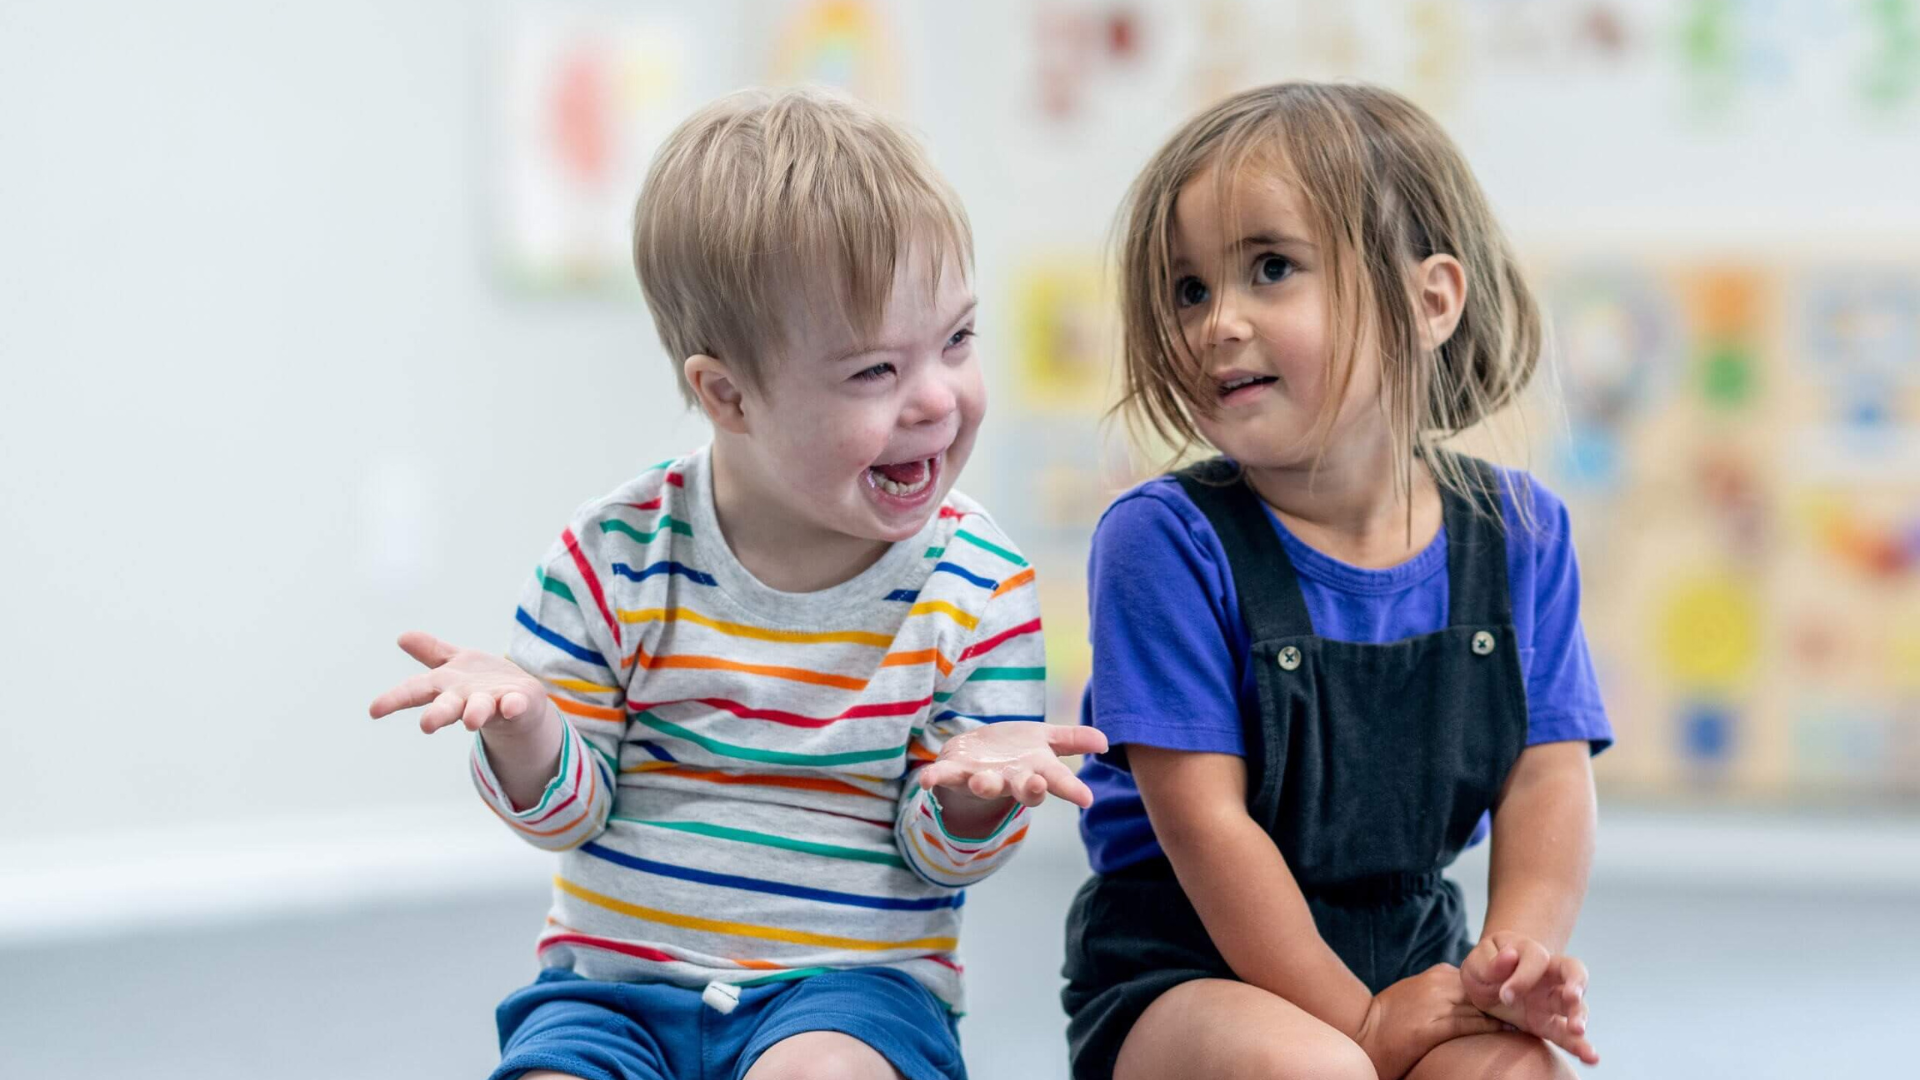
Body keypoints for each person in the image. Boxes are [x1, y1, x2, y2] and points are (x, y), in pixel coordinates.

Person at [369, 85, 1105, 1080]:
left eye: (958, 341)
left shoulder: (980, 584)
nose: (937, 398)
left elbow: (939, 856)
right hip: (610, 992)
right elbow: (568, 814)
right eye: (876, 371)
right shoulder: (612, 556)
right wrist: (527, 727)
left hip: (851, 992)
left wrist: (978, 798)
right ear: (728, 395)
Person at [1061, 82, 1613, 1080]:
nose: (1217, 321)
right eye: (1189, 290)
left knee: (1514, 1073)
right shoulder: (1164, 544)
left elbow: (1548, 775)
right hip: (1185, 974)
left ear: (1429, 298)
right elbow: (1205, 827)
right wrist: (1355, 1025)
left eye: (1270, 268)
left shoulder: (1521, 533)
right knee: (1314, 1071)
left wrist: (1513, 957)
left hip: (1413, 948)